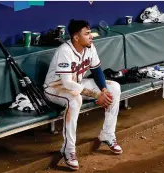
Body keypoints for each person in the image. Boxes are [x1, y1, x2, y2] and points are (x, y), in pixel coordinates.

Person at [43, 19, 122, 171]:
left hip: (77, 83)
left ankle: (107, 134)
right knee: (75, 99)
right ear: (76, 37)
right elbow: (67, 84)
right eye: (86, 34)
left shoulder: (89, 47)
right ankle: (68, 149)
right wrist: (95, 94)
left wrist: (104, 91)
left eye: (90, 32)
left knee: (115, 88)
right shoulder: (64, 51)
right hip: (55, 88)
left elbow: (97, 71)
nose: (91, 36)